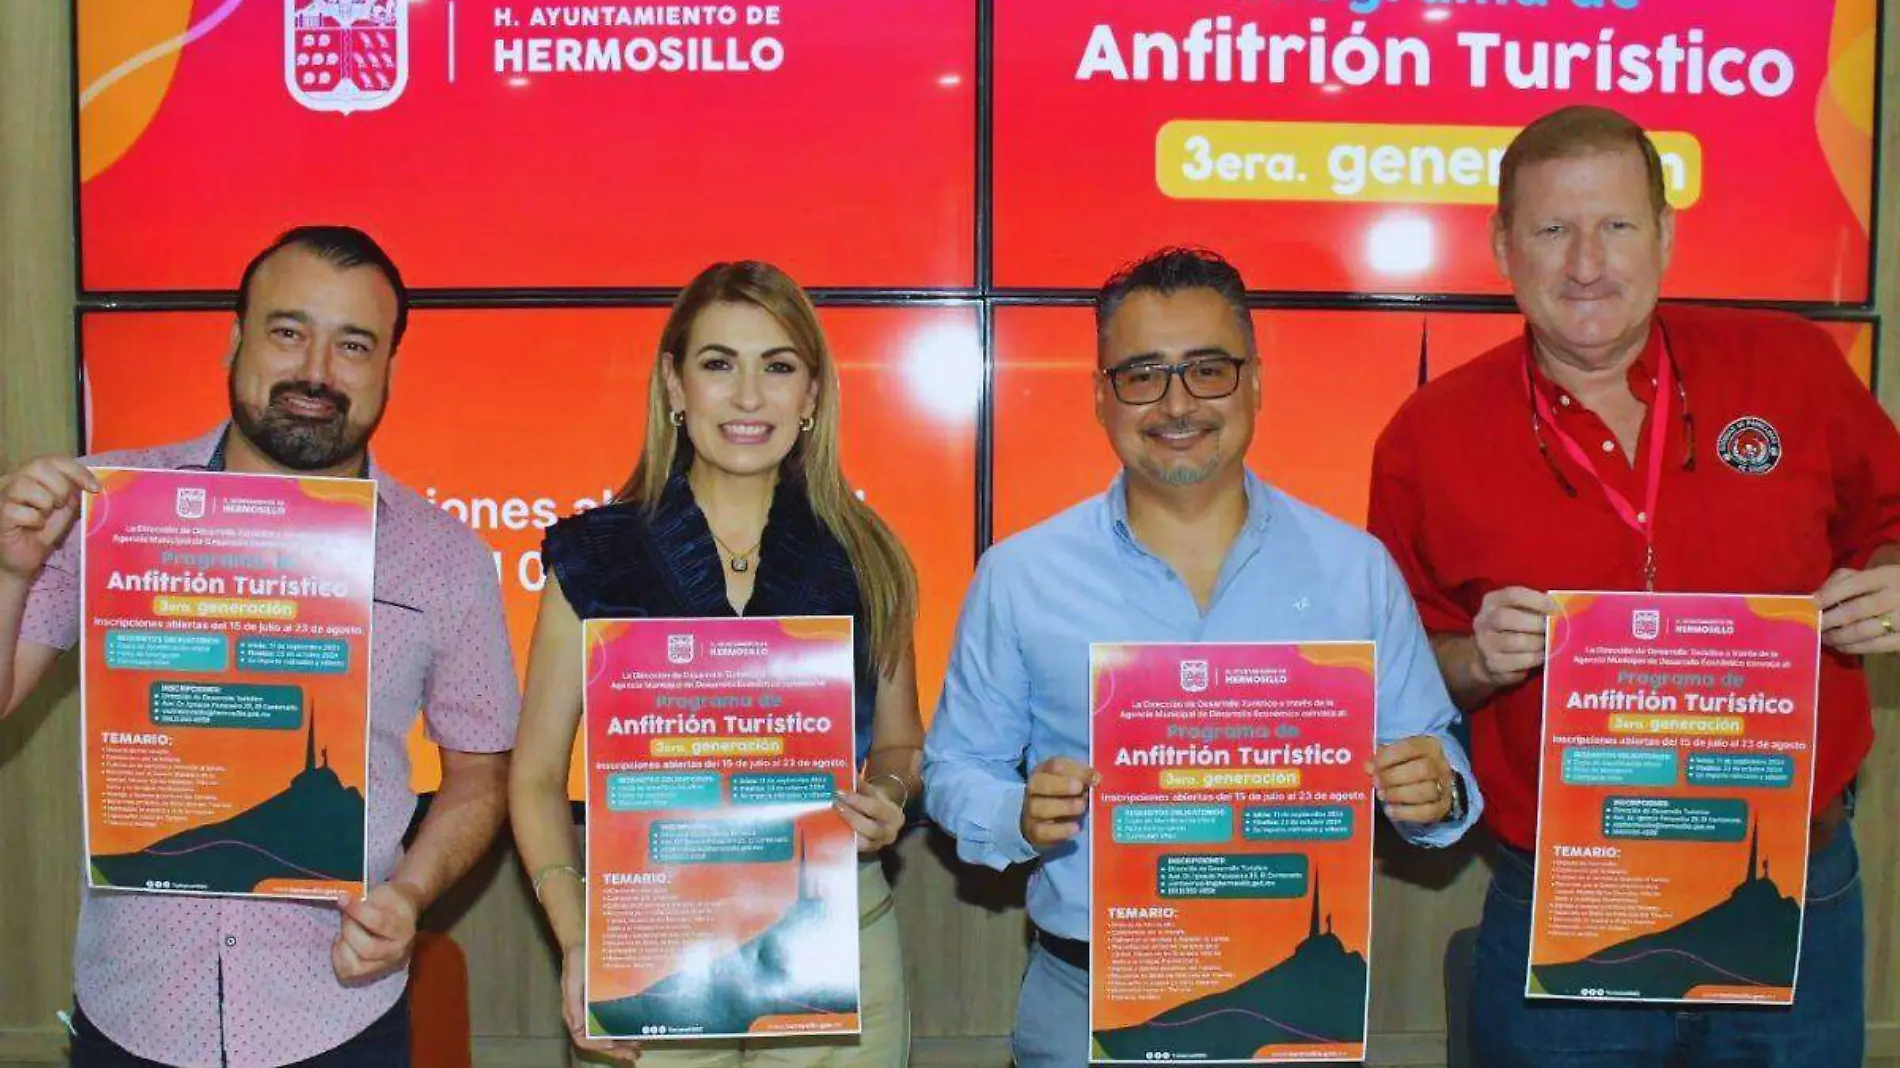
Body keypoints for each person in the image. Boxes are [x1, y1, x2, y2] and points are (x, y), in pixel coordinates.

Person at [1368, 105, 1900, 1068]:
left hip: (1792, 889)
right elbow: (1399, 675)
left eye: (1615, 224)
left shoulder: (1791, 369)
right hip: (1563, 895)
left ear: (1665, 235)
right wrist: (1476, 659)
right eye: (1552, 229)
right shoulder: (1427, 435)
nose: (1587, 264)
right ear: (1502, 245)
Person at [922, 246, 1482, 1068]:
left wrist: (1434, 788)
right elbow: (955, 767)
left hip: (1300, 1010)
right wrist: (1018, 815)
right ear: (1101, 396)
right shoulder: (1020, 575)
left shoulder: (1354, 569)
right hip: (1086, 1007)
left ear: (1255, 383)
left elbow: (1438, 754)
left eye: (1208, 370)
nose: (1177, 403)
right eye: (1142, 374)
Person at [0, 225, 520, 1067]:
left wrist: (411, 894)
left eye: (354, 344)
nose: (317, 370)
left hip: (336, 1017)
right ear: (235, 339)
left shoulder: (446, 558)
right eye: (288, 331)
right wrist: (12, 572)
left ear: (388, 367)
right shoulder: (105, 510)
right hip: (134, 1010)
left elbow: (481, 772)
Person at [509, 261, 923, 1066]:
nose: (748, 396)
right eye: (718, 363)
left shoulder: (865, 554)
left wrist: (889, 793)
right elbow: (532, 775)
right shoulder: (595, 558)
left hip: (831, 946)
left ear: (812, 395)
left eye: (778, 367)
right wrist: (576, 935)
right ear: (675, 383)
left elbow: (902, 744)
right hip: (650, 948)